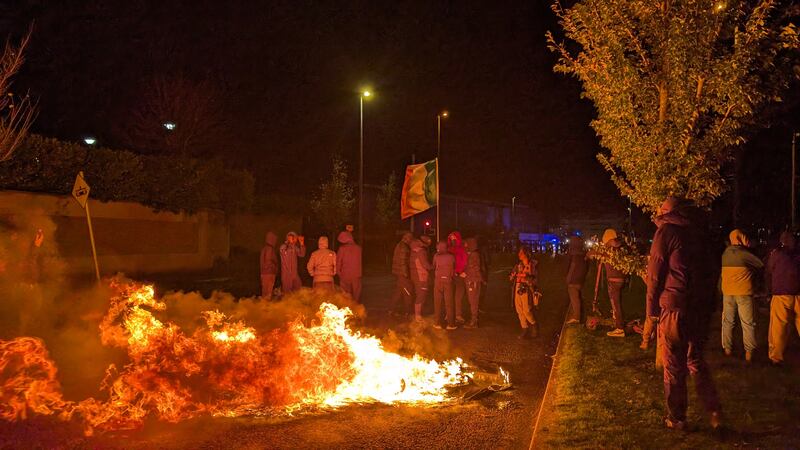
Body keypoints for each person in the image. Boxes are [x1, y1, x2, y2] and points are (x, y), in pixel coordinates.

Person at [646, 197, 721, 431]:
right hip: (700, 307)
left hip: (675, 306)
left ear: (667, 212)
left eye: (659, 209)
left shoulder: (666, 231)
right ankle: (715, 412)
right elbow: (712, 271)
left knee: (674, 363)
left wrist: (651, 311)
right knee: (696, 361)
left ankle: (677, 417)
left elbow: (655, 274)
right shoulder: (703, 233)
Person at [720, 229, 763, 363]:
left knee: (728, 322)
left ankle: (727, 350)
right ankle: (749, 353)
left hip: (728, 292)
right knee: (747, 323)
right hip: (743, 292)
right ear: (741, 238)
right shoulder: (745, 254)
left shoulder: (725, 254)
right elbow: (760, 264)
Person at [766, 231, 800, 366]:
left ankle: (776, 357)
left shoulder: (776, 254)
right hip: (798, 293)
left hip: (781, 294)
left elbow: (769, 271)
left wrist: (768, 292)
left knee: (778, 327)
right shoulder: (798, 254)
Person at [602, 228, 627, 337]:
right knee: (617, 303)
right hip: (620, 278)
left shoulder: (609, 248)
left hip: (613, 279)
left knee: (615, 305)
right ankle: (617, 322)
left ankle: (619, 328)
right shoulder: (620, 247)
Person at [511, 247, 539, 338]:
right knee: (519, 310)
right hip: (518, 288)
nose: (519, 255)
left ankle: (534, 325)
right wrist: (512, 276)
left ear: (526, 254)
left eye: (521, 253)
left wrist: (525, 277)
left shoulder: (532, 265)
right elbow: (512, 276)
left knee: (526, 310)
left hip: (526, 289)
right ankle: (524, 328)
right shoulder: (518, 266)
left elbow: (534, 279)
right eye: (519, 253)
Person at [432, 240, 456, 330]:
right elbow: (454, 266)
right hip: (448, 281)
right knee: (449, 303)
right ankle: (451, 324)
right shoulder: (451, 256)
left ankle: (437, 323)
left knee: (437, 303)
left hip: (438, 281)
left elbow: (434, 266)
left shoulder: (436, 256)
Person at [390, 232, 415, 317]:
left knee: (398, 292)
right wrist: (406, 274)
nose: (411, 240)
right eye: (410, 238)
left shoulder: (399, 245)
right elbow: (403, 262)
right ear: (406, 238)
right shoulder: (404, 248)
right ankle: (408, 312)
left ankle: (391, 310)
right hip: (402, 274)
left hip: (398, 273)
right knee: (408, 292)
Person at [409, 235, 433, 322]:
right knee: (421, 295)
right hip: (421, 276)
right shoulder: (421, 251)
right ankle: (418, 316)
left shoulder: (413, 250)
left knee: (419, 294)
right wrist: (433, 266)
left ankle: (418, 315)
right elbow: (425, 265)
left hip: (415, 276)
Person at [566, 235, 588, 324]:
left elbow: (572, 267)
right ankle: (579, 315)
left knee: (575, 299)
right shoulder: (583, 254)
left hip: (573, 280)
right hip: (581, 279)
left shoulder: (574, 254)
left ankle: (576, 317)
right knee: (578, 298)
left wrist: (568, 278)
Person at [447, 231, 468, 324]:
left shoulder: (462, 249)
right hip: (451, 276)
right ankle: (450, 314)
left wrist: (462, 272)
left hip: (460, 276)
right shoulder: (449, 249)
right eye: (451, 239)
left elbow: (465, 262)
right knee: (450, 296)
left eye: (454, 238)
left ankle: (458, 315)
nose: (453, 240)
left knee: (458, 297)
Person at [336, 230, 362, 302]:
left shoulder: (342, 249)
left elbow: (338, 262)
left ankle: (347, 309)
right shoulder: (358, 248)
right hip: (356, 275)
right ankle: (356, 309)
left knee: (346, 296)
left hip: (345, 274)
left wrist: (339, 273)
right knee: (356, 295)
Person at [464, 237, 484, 328]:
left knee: (473, 301)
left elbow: (475, 268)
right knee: (472, 301)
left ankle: (474, 322)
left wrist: (466, 273)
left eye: (466, 244)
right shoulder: (473, 254)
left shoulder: (474, 255)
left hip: (473, 281)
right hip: (472, 280)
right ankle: (474, 320)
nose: (465, 245)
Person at [259, 231, 279, 299]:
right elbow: (268, 261)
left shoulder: (264, 248)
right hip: (269, 273)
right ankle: (266, 307)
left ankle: (264, 306)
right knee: (268, 292)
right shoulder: (270, 249)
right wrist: (275, 268)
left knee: (264, 292)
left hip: (264, 273)